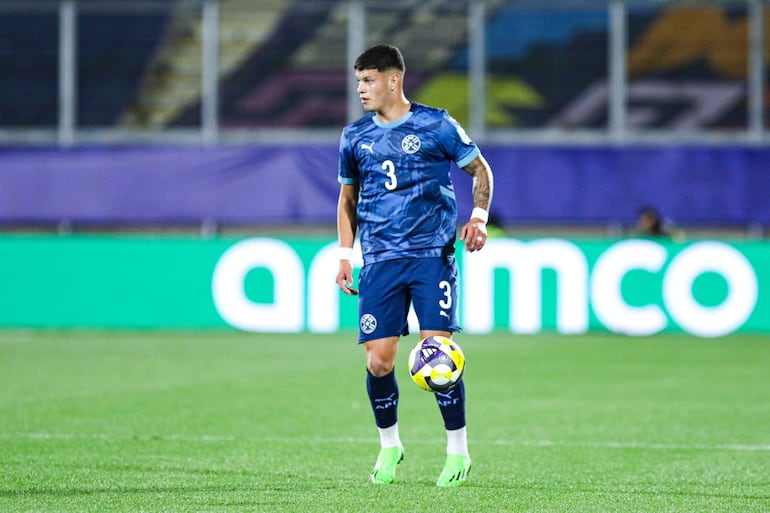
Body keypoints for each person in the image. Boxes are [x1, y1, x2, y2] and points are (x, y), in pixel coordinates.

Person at [335, 44, 494, 487]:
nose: (361, 89)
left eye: (368, 80)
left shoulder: (436, 124)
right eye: (358, 81)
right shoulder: (354, 136)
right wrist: (345, 255)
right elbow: (347, 199)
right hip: (380, 259)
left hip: (431, 256)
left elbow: (480, 170)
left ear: (393, 80)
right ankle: (390, 445)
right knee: (378, 361)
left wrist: (479, 217)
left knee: (436, 354)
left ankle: (457, 451)